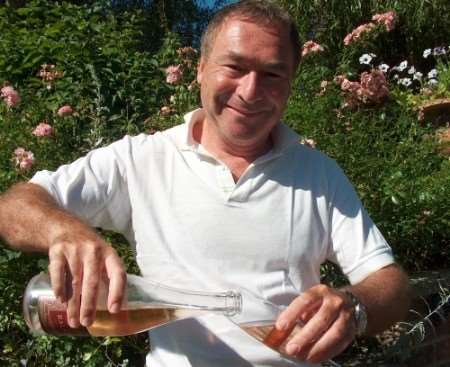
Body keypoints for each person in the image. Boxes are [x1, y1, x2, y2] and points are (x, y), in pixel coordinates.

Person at [0, 1, 410, 366]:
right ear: (200, 69)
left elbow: (391, 284)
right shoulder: (139, 160)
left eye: (272, 74)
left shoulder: (318, 174)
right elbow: (13, 208)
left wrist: (353, 306)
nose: (250, 91)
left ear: (290, 84)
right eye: (234, 67)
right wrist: (63, 229)